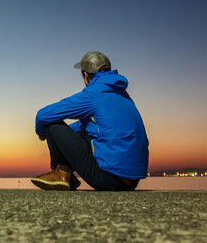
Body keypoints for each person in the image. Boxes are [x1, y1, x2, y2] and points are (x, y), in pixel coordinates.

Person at [31, 51, 149, 191]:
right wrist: (63, 138)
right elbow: (84, 127)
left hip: (108, 179)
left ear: (85, 75)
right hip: (131, 181)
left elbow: (42, 115)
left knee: (52, 124)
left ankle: (61, 174)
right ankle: (67, 177)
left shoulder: (93, 94)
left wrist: (42, 132)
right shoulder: (123, 97)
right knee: (86, 133)